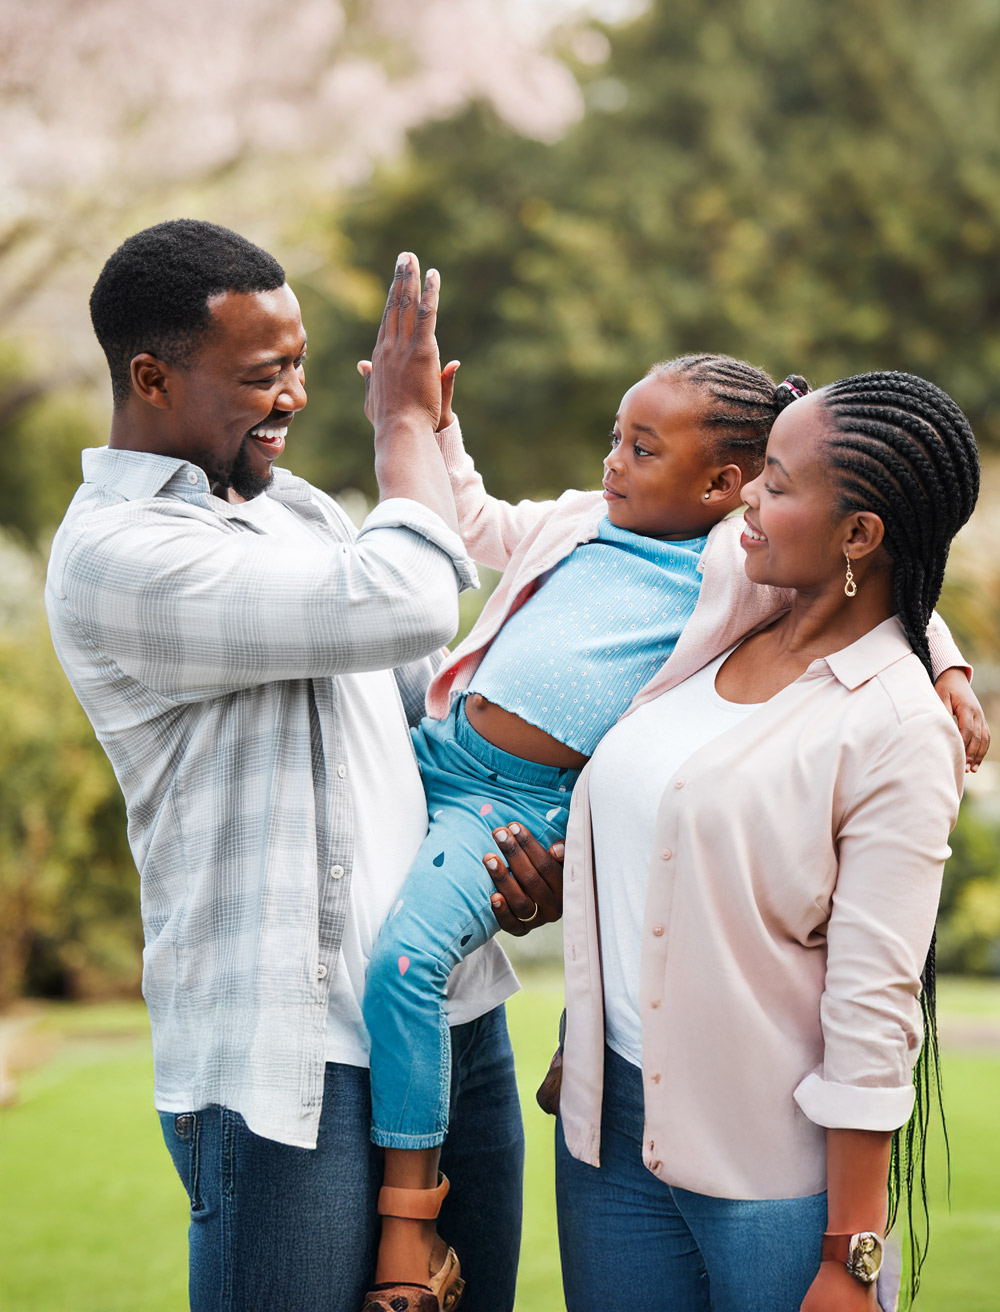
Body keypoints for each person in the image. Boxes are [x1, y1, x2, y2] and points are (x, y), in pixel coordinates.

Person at [356, 353, 985, 1311]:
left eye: (774, 485)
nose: (750, 508)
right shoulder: (713, 630)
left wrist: (851, 1254)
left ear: (856, 532)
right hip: (610, 1133)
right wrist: (561, 897)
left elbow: (875, 1006)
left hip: (768, 1172)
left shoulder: (892, 721)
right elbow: (650, 849)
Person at [44, 226, 524, 1312]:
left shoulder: (298, 513)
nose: (298, 396)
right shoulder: (118, 552)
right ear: (151, 376)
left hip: (449, 1022)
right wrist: (405, 424)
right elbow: (406, 597)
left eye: (302, 364)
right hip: (286, 1062)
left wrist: (503, 857)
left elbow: (423, 718)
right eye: (265, 374)